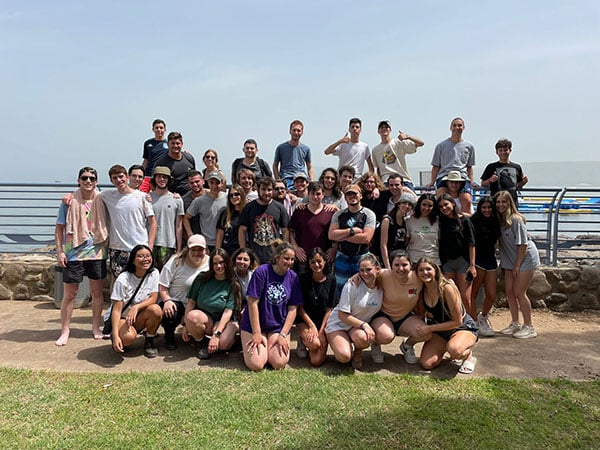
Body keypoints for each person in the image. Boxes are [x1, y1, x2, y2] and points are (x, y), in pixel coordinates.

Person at [54, 167, 107, 345]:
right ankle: (65, 330)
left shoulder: (102, 199)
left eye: (92, 178)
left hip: (96, 252)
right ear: (78, 180)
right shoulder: (68, 202)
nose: (88, 181)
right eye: (84, 178)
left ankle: (95, 327)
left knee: (97, 292)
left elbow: (124, 196)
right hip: (73, 253)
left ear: (96, 181)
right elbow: (59, 227)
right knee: (70, 294)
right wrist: (60, 251)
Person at [240, 241, 303, 371]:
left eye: (292, 259)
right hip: (255, 325)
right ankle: (258, 345)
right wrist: (256, 333)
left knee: (278, 363)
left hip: (277, 326)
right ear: (276, 258)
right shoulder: (262, 272)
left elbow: (293, 309)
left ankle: (268, 347)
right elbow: (252, 303)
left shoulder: (293, 277)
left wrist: (283, 334)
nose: (290, 262)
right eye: (286, 258)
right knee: (256, 364)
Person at [414, 257, 479, 374]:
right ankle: (447, 348)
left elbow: (458, 321)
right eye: (421, 270)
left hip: (461, 327)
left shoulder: (447, 288)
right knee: (426, 364)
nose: (425, 273)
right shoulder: (421, 289)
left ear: (435, 270)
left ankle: (468, 355)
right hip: (440, 331)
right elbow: (421, 315)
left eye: (428, 269)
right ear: (417, 273)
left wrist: (430, 328)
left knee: (455, 350)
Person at [91, 164, 156, 279]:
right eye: (115, 178)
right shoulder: (106, 196)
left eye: (121, 176)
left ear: (127, 177)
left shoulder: (142, 197)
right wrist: (70, 196)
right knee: (117, 282)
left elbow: (153, 223)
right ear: (111, 180)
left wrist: (149, 247)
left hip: (139, 247)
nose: (119, 180)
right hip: (118, 248)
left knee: (140, 281)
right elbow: (88, 191)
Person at [325, 253, 383, 369]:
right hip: (339, 324)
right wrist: (365, 325)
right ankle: (330, 339)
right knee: (344, 357)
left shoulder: (383, 284)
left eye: (368, 270)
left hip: (355, 327)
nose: (364, 274)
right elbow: (342, 315)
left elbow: (396, 273)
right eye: (361, 270)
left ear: (377, 269)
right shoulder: (352, 285)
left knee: (363, 338)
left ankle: (358, 352)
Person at [495, 191, 540, 338]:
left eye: (504, 202)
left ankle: (529, 326)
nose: (501, 205)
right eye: (498, 202)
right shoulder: (499, 221)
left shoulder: (516, 220)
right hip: (509, 259)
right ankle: (515, 323)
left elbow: (522, 244)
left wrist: (517, 266)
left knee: (519, 292)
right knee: (509, 292)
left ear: (510, 203)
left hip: (524, 258)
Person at [369, 250, 425, 365]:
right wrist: (356, 277)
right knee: (386, 336)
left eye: (404, 265)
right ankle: (376, 343)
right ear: (391, 265)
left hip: (404, 317)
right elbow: (367, 273)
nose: (401, 269)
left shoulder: (419, 278)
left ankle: (407, 345)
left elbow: (436, 279)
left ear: (411, 265)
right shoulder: (384, 274)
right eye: (397, 265)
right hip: (383, 315)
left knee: (425, 332)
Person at [184, 248, 241, 359]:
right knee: (192, 316)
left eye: (221, 262)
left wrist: (217, 334)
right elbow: (191, 302)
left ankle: (226, 339)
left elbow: (228, 311)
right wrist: (187, 325)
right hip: (206, 319)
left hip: (224, 321)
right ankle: (201, 343)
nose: (218, 266)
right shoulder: (202, 278)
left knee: (223, 344)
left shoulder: (233, 284)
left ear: (227, 263)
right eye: (215, 263)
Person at [107, 244, 162, 358]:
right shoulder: (123, 279)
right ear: (133, 260)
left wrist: (136, 307)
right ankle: (117, 336)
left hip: (138, 316)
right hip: (123, 317)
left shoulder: (154, 273)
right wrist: (116, 336)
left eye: (148, 256)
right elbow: (116, 310)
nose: (145, 259)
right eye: (140, 256)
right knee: (128, 338)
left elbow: (153, 298)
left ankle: (149, 341)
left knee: (156, 310)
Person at [158, 234, 210, 350]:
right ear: (187, 249)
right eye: (193, 249)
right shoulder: (175, 261)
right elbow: (162, 286)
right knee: (171, 311)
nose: (196, 253)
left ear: (206, 249)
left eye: (200, 249)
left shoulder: (210, 263)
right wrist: (167, 300)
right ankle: (169, 335)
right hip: (176, 302)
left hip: (197, 304)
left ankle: (199, 337)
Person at [328, 184, 376, 293]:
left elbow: (366, 238)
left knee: (363, 290)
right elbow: (331, 235)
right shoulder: (338, 215)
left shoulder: (369, 214)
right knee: (341, 290)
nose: (352, 196)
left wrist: (341, 236)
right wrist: (351, 231)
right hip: (342, 256)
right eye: (349, 194)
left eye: (355, 194)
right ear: (345, 197)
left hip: (361, 258)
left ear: (360, 196)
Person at [296, 248, 338, 366]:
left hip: (322, 322)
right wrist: (311, 326)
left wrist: (320, 332)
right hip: (304, 321)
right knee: (315, 344)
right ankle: (303, 340)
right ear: (308, 263)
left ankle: (312, 342)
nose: (316, 265)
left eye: (319, 261)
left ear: (325, 262)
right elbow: (299, 307)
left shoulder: (331, 279)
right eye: (313, 262)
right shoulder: (302, 279)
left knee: (316, 361)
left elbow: (330, 308)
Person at [437, 194, 477, 315]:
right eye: (441, 206)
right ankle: (457, 322)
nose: (444, 208)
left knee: (465, 297)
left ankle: (470, 323)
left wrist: (472, 265)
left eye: (446, 204)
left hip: (463, 262)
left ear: (453, 204)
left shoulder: (464, 220)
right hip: (447, 263)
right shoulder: (440, 221)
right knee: (451, 296)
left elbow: (472, 243)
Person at [429, 117, 476, 213]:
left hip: (462, 177)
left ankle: (464, 224)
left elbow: (469, 166)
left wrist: (471, 181)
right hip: (444, 176)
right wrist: (432, 182)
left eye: (459, 125)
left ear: (463, 128)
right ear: (450, 128)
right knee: (442, 200)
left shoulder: (469, 146)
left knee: (467, 200)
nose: (457, 128)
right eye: (454, 125)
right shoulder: (441, 146)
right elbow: (436, 166)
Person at [239, 177, 290, 264]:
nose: (266, 193)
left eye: (269, 189)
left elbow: (285, 231)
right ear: (257, 189)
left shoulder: (280, 208)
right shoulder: (248, 208)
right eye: (263, 189)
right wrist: (243, 251)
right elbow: (242, 230)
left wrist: (283, 251)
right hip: (254, 256)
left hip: (274, 256)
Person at [289, 181, 337, 273]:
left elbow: (337, 233)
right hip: (303, 260)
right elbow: (291, 231)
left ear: (323, 194)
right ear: (308, 193)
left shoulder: (331, 212)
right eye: (312, 193)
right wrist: (295, 248)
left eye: (318, 194)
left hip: (324, 260)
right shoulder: (299, 210)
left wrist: (334, 249)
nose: (315, 197)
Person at [470, 196, 501, 336]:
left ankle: (483, 317)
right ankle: (473, 321)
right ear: (480, 208)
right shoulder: (474, 221)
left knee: (491, 294)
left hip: (491, 260)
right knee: (473, 293)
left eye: (489, 207)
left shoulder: (496, 221)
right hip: (478, 260)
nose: (487, 210)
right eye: (484, 207)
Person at [371, 120, 424, 190]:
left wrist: (408, 137)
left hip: (403, 179)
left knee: (413, 199)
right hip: (386, 182)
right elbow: (378, 170)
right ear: (378, 131)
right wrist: (380, 185)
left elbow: (421, 143)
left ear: (390, 130)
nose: (384, 129)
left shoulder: (398, 143)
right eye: (382, 127)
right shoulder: (375, 150)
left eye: (386, 127)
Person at [149, 166, 184, 270]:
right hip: (150, 244)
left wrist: (179, 249)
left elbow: (179, 226)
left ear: (169, 179)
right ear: (154, 179)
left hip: (169, 244)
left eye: (165, 177)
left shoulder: (177, 200)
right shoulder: (146, 198)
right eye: (159, 177)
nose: (162, 179)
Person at [183, 171, 227, 252]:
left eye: (217, 183)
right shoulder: (199, 201)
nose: (214, 186)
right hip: (206, 243)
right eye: (211, 182)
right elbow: (186, 218)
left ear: (221, 183)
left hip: (225, 241)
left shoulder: (228, 198)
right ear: (207, 183)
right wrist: (190, 235)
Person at [480, 138, 528, 206]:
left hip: (512, 202)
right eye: (500, 150)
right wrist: (490, 180)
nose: (503, 153)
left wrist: (523, 182)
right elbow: (483, 184)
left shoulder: (517, 167)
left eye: (505, 150)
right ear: (497, 152)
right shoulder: (491, 166)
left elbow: (517, 185)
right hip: (496, 202)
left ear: (510, 151)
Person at [273, 119, 313, 188]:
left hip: (301, 178)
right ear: (290, 131)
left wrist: (312, 181)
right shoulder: (281, 148)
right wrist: (277, 180)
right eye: (294, 130)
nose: (296, 132)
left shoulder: (306, 149)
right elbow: (275, 165)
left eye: (298, 130)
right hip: (286, 178)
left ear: (302, 132)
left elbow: (309, 167)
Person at [380, 193, 416, 269]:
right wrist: (388, 266)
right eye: (404, 203)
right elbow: (383, 245)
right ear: (398, 204)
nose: (407, 206)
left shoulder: (405, 221)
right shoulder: (387, 220)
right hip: (389, 258)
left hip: (400, 258)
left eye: (410, 204)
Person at [155, 131, 196, 196]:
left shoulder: (189, 158)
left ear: (182, 144)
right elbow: (154, 183)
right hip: (171, 197)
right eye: (172, 143)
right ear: (168, 144)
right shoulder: (161, 162)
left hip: (190, 195)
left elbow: (195, 177)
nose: (175, 146)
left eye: (178, 143)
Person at [405, 193, 440, 265]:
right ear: (419, 204)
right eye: (424, 205)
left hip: (433, 260)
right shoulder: (409, 220)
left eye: (430, 206)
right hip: (414, 260)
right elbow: (406, 242)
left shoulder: (438, 221)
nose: (426, 208)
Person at [216, 184, 247, 256]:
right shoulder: (225, 214)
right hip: (227, 252)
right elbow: (220, 235)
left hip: (243, 252)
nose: (234, 197)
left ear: (242, 195)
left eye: (236, 194)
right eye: (231, 195)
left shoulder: (248, 212)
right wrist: (217, 252)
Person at [141, 118, 168, 192]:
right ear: (153, 129)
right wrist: (141, 172)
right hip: (148, 175)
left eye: (161, 128)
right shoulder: (148, 143)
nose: (159, 130)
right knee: (141, 195)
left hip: (162, 175)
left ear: (165, 130)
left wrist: (184, 153)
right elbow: (146, 160)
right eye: (157, 128)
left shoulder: (169, 143)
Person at [232, 247, 259, 319]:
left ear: (250, 262)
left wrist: (246, 308)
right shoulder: (230, 274)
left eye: (246, 260)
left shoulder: (254, 275)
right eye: (239, 258)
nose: (242, 262)